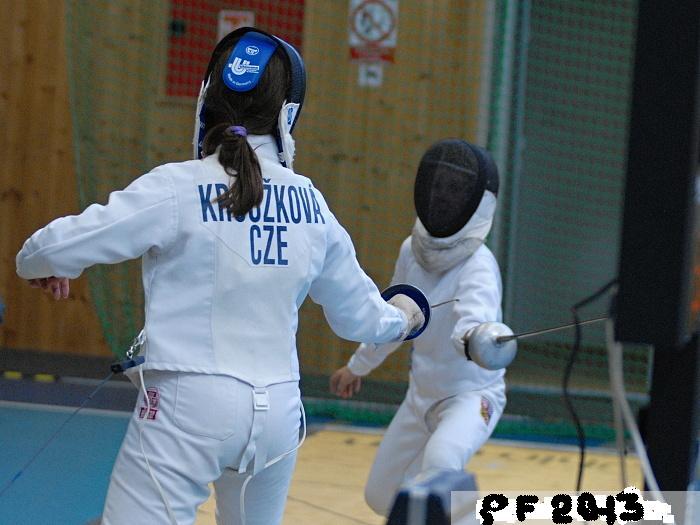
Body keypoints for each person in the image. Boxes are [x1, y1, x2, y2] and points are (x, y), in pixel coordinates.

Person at [16, 27, 425, 525]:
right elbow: (361, 319)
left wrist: (47, 266)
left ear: (207, 99)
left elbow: (47, 249)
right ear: (287, 115)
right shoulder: (311, 203)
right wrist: (408, 316)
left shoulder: (176, 187)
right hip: (278, 416)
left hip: (187, 408)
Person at [330, 138, 506, 516]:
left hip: (470, 397)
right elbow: (396, 320)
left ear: (476, 202)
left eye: (455, 189)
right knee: (381, 496)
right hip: (420, 398)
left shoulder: (478, 265)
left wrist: (473, 338)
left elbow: (475, 318)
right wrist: (357, 366)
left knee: (441, 464)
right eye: (438, 185)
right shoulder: (411, 250)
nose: (442, 196)